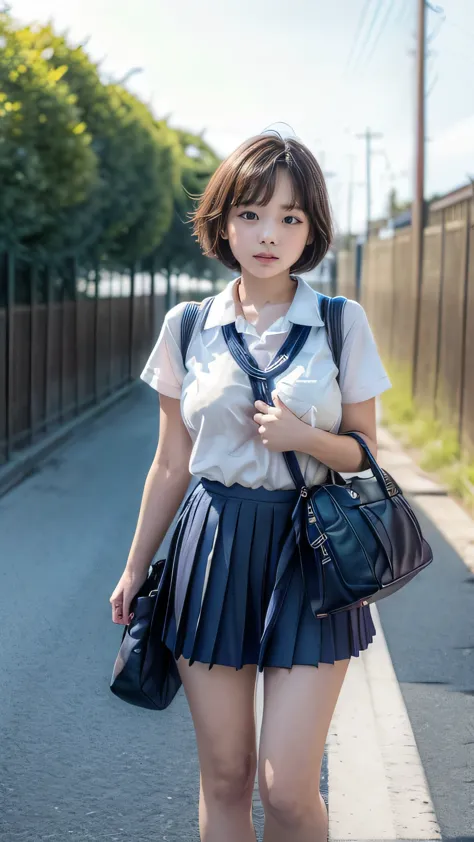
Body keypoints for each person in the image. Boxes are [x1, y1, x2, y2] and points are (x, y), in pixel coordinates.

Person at [109, 132, 391, 842]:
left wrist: (305, 440)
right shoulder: (187, 326)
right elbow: (172, 461)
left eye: (291, 218)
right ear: (224, 219)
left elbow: (364, 454)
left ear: (312, 230)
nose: (269, 234)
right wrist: (137, 566)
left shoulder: (339, 322)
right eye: (252, 214)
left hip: (311, 550)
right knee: (227, 776)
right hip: (213, 548)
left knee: (288, 788)